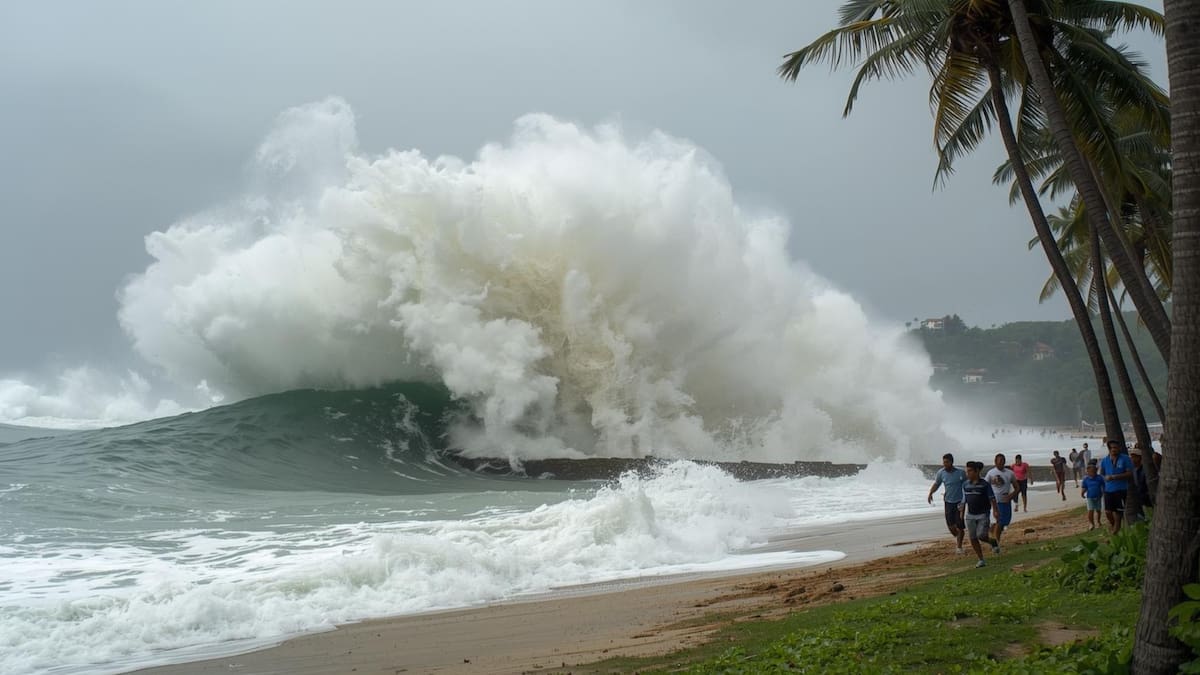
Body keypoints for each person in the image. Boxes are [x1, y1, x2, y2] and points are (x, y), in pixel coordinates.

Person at [927, 453, 967, 554]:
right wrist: (931, 493)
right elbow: (937, 484)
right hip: (948, 502)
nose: (944, 464)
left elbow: (967, 484)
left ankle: (959, 547)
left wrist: (967, 499)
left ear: (951, 462)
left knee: (959, 525)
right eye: (943, 462)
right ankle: (958, 537)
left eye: (947, 462)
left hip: (959, 502)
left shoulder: (961, 472)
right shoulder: (941, 473)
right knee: (951, 526)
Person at [962, 461, 1000, 568]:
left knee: (981, 536)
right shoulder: (965, 485)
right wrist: (961, 514)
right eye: (966, 471)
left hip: (983, 514)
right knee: (973, 538)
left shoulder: (985, 485)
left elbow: (992, 499)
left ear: (976, 471)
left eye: (969, 471)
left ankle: (992, 542)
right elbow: (964, 500)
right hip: (970, 515)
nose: (967, 473)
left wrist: (995, 511)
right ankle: (981, 559)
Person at [1099, 440, 1135, 534]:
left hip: (1121, 489)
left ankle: (1116, 529)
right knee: (1108, 511)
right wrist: (1105, 479)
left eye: (1116, 447)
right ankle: (1114, 525)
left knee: (1118, 511)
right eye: (1112, 448)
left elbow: (1129, 473)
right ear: (1109, 449)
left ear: (1119, 448)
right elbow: (1101, 473)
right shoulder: (1105, 460)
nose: (1114, 449)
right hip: (1108, 489)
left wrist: (1114, 477)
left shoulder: (1125, 459)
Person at [984, 453, 1016, 550]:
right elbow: (985, 486)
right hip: (995, 501)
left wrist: (1011, 495)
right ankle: (996, 543)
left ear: (1005, 462)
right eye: (999, 461)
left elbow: (1017, 487)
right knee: (999, 521)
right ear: (995, 462)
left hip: (1006, 501)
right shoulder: (990, 473)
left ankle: (992, 536)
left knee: (1004, 523)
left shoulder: (1009, 473)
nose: (1000, 463)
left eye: (1002, 461)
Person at [1130, 447, 1153, 519]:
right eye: (1132, 457)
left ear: (1140, 458)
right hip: (1137, 499)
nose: (1132, 459)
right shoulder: (1132, 469)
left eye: (1134, 457)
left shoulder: (1145, 470)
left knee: (1148, 516)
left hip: (1146, 499)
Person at [1081, 463, 1104, 530]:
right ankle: (1091, 523)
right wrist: (1082, 493)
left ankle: (1098, 521)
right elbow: (1084, 487)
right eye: (1091, 472)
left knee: (1098, 510)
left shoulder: (1099, 478)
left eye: (1094, 471)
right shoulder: (1086, 479)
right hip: (1090, 497)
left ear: (1096, 471)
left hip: (1098, 496)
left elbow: (1102, 486)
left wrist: (1103, 492)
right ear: (1087, 472)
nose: (1093, 473)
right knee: (1090, 510)